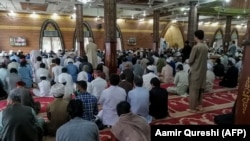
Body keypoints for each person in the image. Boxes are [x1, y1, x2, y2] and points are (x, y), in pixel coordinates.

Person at [188, 30, 208, 113]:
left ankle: (192, 108)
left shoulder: (196, 47)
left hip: (196, 71)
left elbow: (191, 60)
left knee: (193, 90)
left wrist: (188, 62)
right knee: (200, 90)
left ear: (196, 37)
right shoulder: (206, 47)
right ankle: (199, 105)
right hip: (203, 72)